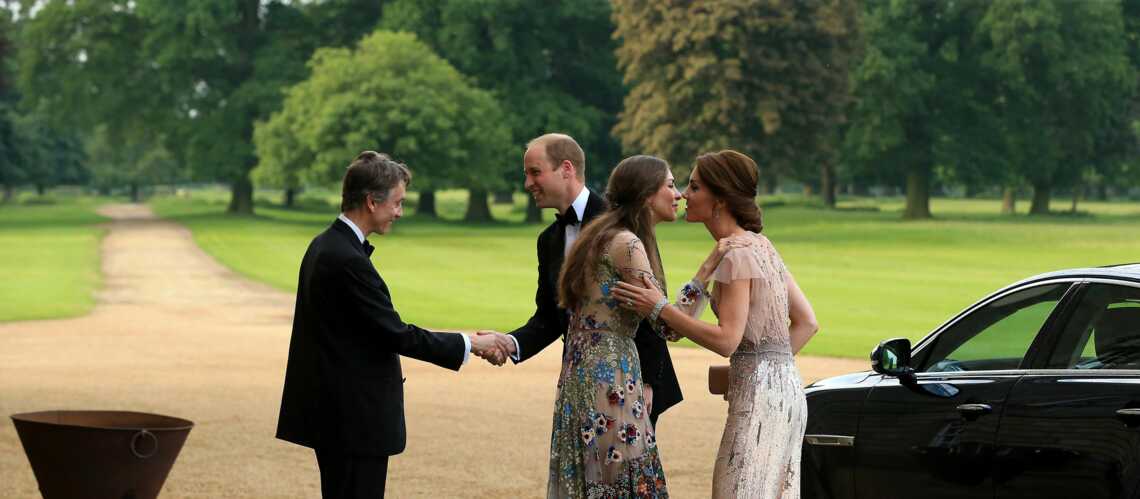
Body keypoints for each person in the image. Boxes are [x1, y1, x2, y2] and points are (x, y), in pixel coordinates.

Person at [276, 151, 499, 498]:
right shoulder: (345, 258)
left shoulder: (326, 245)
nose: (399, 212)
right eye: (397, 203)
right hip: (352, 419)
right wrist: (470, 343)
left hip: (338, 414)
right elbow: (396, 334)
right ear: (371, 201)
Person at [612, 150, 820, 498]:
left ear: (719, 200)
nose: (683, 195)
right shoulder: (761, 245)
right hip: (788, 392)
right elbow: (807, 323)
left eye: (693, 187)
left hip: (759, 399)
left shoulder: (736, 256)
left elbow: (727, 341)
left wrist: (660, 306)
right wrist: (763, 367)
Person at [478, 133, 682, 425]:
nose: (527, 184)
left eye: (535, 172)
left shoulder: (621, 222)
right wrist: (509, 343)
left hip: (631, 381)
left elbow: (648, 303)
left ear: (566, 169)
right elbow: (549, 317)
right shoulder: (548, 240)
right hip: (580, 379)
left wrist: (647, 380)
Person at [542, 154, 680, 497]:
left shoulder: (598, 236)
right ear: (648, 194)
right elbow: (668, 326)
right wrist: (706, 277)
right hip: (610, 377)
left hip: (580, 375)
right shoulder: (627, 244)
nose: (678, 194)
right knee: (621, 483)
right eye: (671, 185)